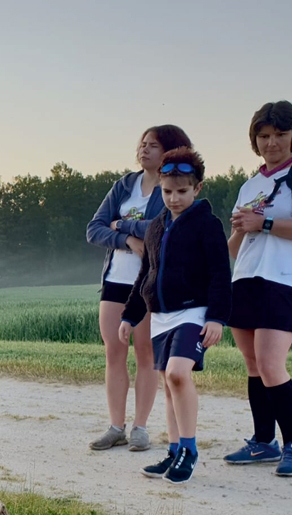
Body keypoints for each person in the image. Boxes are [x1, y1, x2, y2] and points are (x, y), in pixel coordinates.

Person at [120, 148, 232, 484]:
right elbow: (145, 275)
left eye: (182, 191)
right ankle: (172, 451)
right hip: (161, 317)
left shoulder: (207, 225)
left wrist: (217, 317)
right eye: (167, 192)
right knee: (169, 383)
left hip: (194, 312)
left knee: (179, 374)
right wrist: (130, 315)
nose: (174, 198)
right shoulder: (155, 228)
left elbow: (220, 273)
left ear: (197, 189)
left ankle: (189, 449)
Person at [225, 101, 292, 476]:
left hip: (283, 278)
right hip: (245, 278)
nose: (272, 143)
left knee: (270, 364)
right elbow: (236, 245)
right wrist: (237, 230)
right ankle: (262, 442)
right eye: (264, 136)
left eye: (280, 134)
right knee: (253, 366)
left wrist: (262, 223)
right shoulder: (250, 184)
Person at [86, 125, 193, 452]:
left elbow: (163, 226)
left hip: (149, 282)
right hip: (115, 281)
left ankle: (140, 428)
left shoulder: (171, 188)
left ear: (170, 152)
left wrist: (123, 224)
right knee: (113, 353)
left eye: (153, 145)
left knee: (146, 355)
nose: (144, 150)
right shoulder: (124, 185)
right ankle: (116, 426)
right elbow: (94, 229)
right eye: (142, 144)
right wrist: (127, 239)